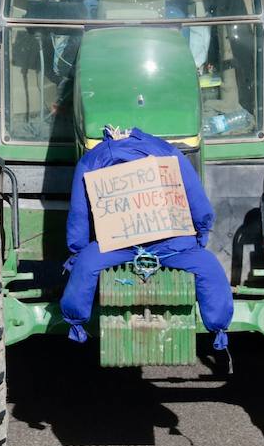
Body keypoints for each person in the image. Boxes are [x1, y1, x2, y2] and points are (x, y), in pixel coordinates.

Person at [59, 126, 234, 349]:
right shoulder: (167, 151)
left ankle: (76, 325)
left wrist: (78, 253)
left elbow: (79, 216)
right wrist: (199, 237)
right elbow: (197, 201)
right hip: (171, 243)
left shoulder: (90, 160)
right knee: (209, 266)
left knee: (86, 265)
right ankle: (218, 329)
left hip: (116, 245)